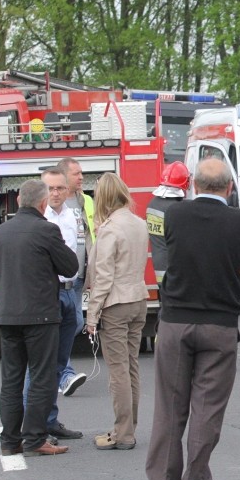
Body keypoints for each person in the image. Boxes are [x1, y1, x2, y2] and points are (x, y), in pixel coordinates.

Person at [139, 159, 240, 480]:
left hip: (176, 322)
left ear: (193, 187)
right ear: (230, 188)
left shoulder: (175, 215)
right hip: (219, 326)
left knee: (168, 410)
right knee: (207, 413)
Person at [0, 179, 78, 457]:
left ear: (18, 200)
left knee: (11, 379)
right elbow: (70, 266)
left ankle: (10, 441)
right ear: (42, 203)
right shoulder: (47, 231)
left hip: (7, 316)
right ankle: (35, 439)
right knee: (41, 377)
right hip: (41, 317)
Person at [85, 172, 149, 451]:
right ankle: (128, 429)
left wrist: (91, 314)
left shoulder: (111, 229)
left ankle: (122, 433)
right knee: (132, 366)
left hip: (116, 304)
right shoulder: (139, 223)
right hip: (138, 299)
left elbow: (103, 277)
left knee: (118, 371)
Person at [25, 168, 83, 442]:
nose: (56, 193)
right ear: (42, 192)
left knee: (59, 362)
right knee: (39, 364)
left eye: (61, 188)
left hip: (70, 291)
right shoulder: (40, 219)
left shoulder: (71, 215)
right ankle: (33, 426)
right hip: (49, 294)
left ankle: (49, 420)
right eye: (51, 189)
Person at [57, 156, 93, 396]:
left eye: (81, 173)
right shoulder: (55, 203)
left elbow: (92, 234)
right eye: (76, 173)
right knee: (68, 324)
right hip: (58, 279)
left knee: (75, 322)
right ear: (63, 176)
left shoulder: (86, 201)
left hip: (79, 276)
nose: (81, 177)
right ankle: (64, 374)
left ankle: (58, 371)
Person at [146, 161, 190, 287]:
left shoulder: (152, 204)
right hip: (175, 268)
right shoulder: (176, 208)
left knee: (165, 304)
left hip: (159, 264)